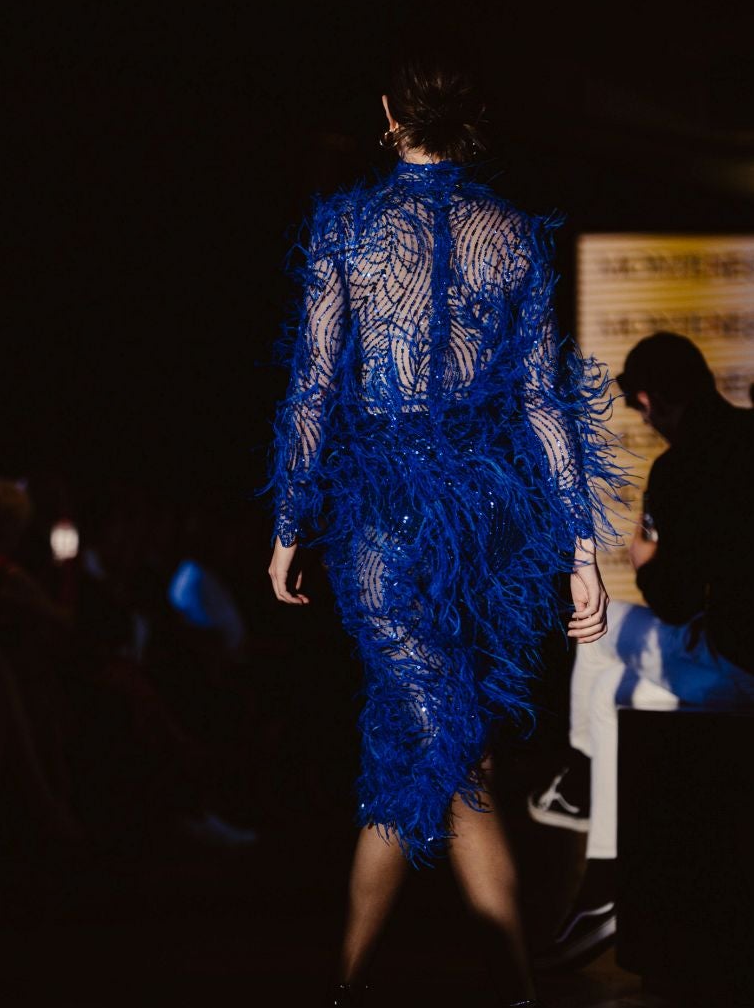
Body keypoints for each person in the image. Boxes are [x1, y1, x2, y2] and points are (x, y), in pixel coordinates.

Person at [267, 51, 615, 1008]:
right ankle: (390, 981)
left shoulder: (345, 227)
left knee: (451, 753)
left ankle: (499, 987)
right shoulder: (511, 234)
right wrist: (582, 550)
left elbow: (313, 389)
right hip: (481, 524)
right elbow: (547, 403)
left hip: (381, 516)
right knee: (433, 746)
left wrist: (291, 521)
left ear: (389, 114)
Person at [528, 332, 754, 968]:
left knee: (596, 629)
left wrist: (643, 558)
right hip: (733, 659)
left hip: (734, 665)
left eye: (637, 405)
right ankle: (603, 891)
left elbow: (674, 602)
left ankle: (576, 778)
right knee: (613, 694)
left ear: (652, 400)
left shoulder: (678, 468)